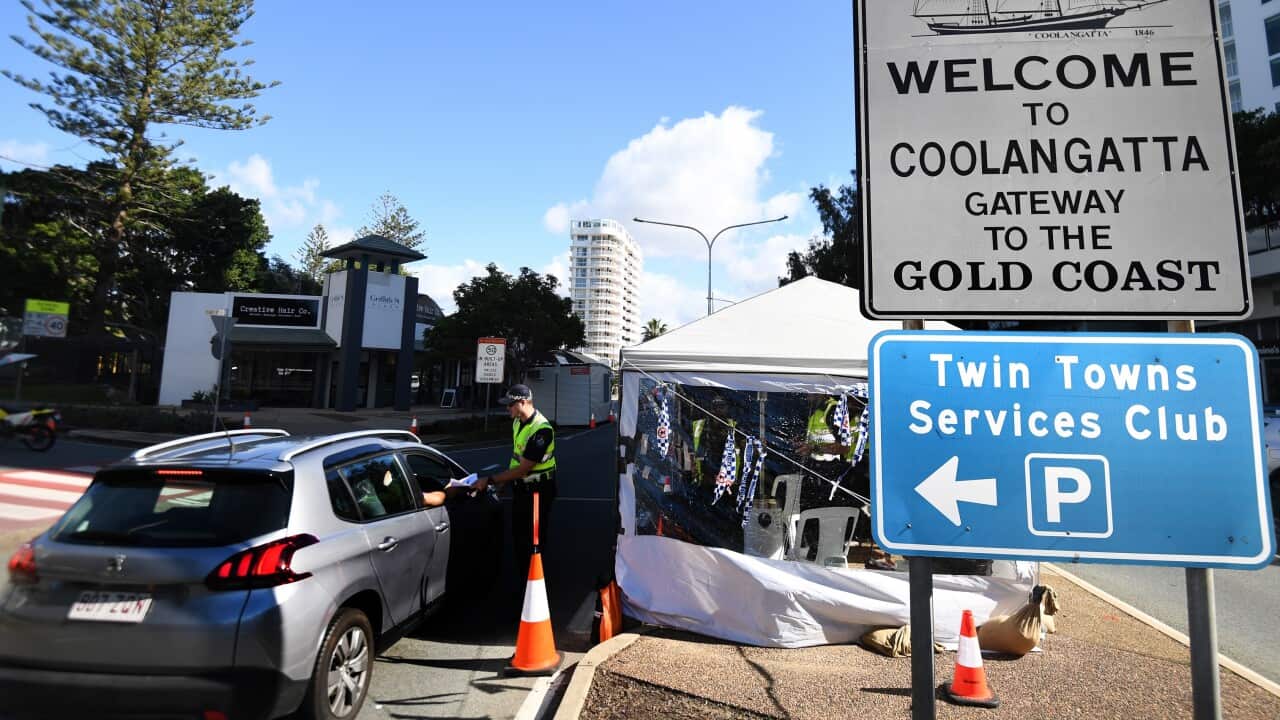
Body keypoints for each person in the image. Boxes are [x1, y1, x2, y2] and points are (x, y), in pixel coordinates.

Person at [473, 383, 556, 578]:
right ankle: (524, 578)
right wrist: (503, 484)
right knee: (519, 536)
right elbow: (515, 459)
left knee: (534, 538)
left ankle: (535, 583)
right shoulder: (518, 423)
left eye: (510, 405)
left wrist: (491, 479)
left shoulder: (541, 429)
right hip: (522, 489)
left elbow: (524, 468)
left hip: (538, 490)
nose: (507, 408)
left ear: (523, 402)